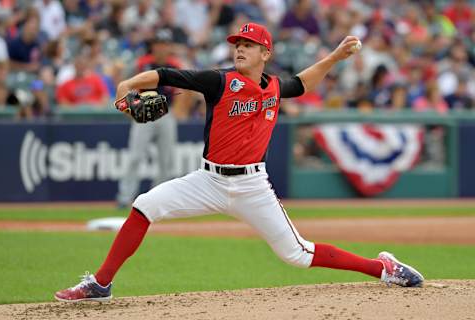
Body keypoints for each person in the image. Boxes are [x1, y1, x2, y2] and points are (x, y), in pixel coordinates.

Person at [55, 23, 424, 302]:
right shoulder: (219, 81)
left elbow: (303, 83)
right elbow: (166, 75)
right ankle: (101, 284)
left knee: (297, 254)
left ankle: (383, 268)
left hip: (252, 186)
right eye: (237, 44)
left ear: (266, 53)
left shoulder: (275, 87)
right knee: (143, 206)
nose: (240, 49)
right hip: (208, 181)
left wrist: (334, 57)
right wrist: (127, 86)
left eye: (249, 45)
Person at [116, 28, 182, 208]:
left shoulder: (175, 65)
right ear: (153, 46)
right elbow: (126, 85)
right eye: (158, 44)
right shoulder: (142, 63)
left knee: (166, 159)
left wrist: (177, 109)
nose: (161, 48)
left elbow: (183, 91)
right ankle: (124, 197)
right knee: (135, 156)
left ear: (169, 46)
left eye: (164, 44)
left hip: (166, 113)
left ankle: (157, 200)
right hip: (144, 112)